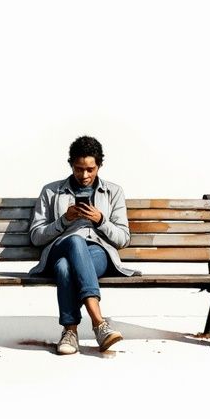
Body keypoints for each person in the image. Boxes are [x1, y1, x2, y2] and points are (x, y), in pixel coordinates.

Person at [28, 136, 140, 354]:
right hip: (60, 246)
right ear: (71, 164)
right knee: (74, 241)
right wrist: (63, 221)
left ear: (99, 165)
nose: (85, 175)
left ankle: (70, 332)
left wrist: (101, 220)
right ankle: (99, 323)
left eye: (90, 169)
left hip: (98, 253)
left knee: (64, 267)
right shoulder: (51, 191)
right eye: (79, 169)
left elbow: (123, 238)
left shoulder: (113, 192)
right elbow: (36, 236)